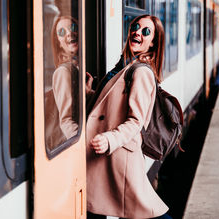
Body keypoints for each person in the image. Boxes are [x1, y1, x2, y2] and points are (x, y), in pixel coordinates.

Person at [86, 14, 171, 219]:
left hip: (118, 156)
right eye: (135, 27)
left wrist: (109, 139)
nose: (137, 33)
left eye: (146, 31)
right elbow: (108, 106)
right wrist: (88, 91)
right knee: (98, 207)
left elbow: (136, 120)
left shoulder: (141, 72)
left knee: (144, 211)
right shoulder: (124, 65)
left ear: (153, 43)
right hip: (107, 155)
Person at [45, 15, 93, 149]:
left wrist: (87, 93)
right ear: (59, 43)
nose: (69, 33)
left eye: (73, 27)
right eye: (62, 32)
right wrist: (85, 147)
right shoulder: (63, 72)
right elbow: (66, 121)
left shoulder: (77, 68)